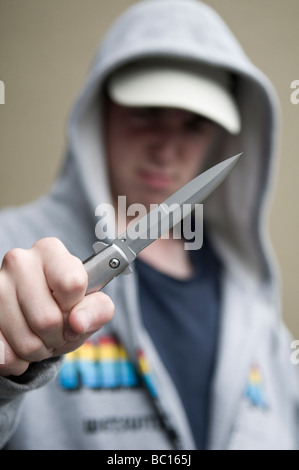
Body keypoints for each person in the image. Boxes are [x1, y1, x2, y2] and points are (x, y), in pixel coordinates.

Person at [0, 0, 298, 450]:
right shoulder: (9, 257)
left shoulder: (255, 310)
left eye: (194, 125)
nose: (166, 149)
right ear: (102, 111)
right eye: (147, 113)